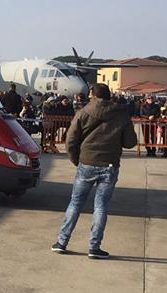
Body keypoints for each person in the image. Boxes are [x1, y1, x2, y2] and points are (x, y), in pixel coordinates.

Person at [51, 83, 136, 259]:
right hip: (109, 164)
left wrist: (76, 159)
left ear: (93, 95)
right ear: (109, 96)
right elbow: (130, 142)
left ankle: (62, 242)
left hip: (86, 162)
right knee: (101, 206)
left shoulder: (83, 112)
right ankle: (94, 247)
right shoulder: (121, 114)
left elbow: (71, 139)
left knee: (75, 203)